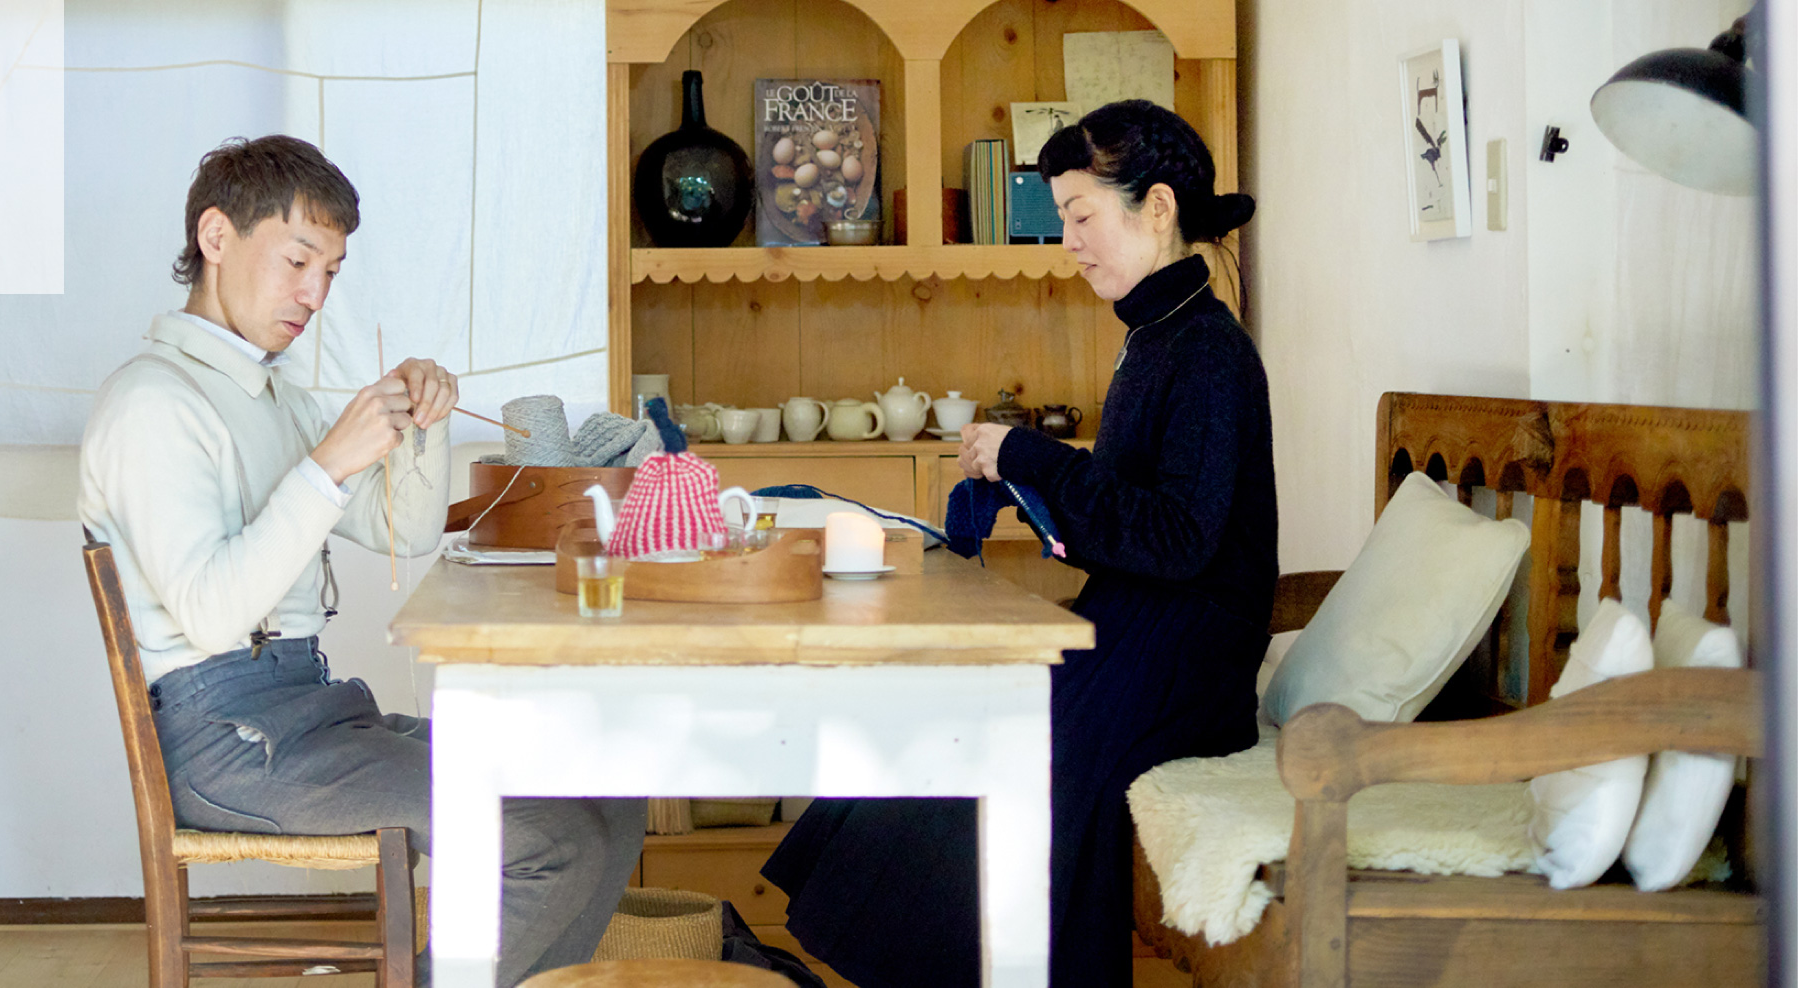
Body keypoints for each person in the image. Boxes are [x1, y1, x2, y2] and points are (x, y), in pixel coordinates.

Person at [79, 134, 644, 988]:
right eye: (298, 261)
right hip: (232, 743)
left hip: (311, 710)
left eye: (331, 271)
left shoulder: (277, 398)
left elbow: (403, 533)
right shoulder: (150, 402)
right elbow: (211, 613)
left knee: (609, 788)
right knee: (550, 839)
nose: (315, 294)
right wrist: (329, 462)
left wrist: (423, 423)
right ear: (217, 236)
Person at [762, 100, 1276, 988]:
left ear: (1156, 208)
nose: (1069, 242)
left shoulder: (1207, 353)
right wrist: (1021, 487)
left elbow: (1181, 540)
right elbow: (1132, 518)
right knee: (948, 712)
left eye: (1081, 216)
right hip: (1139, 627)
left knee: (987, 747)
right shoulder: (1158, 335)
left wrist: (1034, 458)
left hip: (1184, 659)